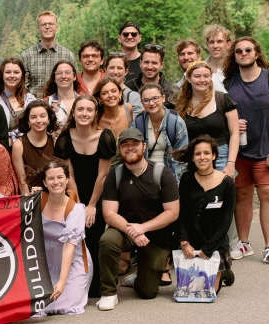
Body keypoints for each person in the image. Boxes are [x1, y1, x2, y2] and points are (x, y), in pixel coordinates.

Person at [223, 37, 269, 265]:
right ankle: (243, 243)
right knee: (242, 196)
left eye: (248, 49)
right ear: (234, 56)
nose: (244, 53)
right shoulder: (228, 84)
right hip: (239, 153)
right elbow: (220, 116)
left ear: (256, 53)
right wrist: (234, 124)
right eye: (239, 51)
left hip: (268, 152)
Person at [98, 128, 180, 310]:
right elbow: (109, 213)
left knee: (147, 292)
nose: (130, 148)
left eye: (135, 143)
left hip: (156, 235)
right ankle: (109, 293)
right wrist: (133, 231)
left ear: (144, 146)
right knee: (108, 240)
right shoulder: (115, 175)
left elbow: (172, 212)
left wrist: (143, 228)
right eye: (125, 144)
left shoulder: (162, 173)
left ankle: (140, 276)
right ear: (119, 149)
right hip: (126, 231)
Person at [54, 94, 117, 298]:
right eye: (80, 109)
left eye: (89, 110)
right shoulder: (64, 139)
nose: (84, 113)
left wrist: (91, 205)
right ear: (73, 112)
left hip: (98, 194)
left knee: (94, 234)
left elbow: (103, 175)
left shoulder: (105, 137)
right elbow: (69, 175)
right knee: (76, 235)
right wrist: (79, 206)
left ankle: (98, 284)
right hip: (74, 194)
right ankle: (77, 282)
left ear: (95, 113)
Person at [174, 135, 236, 293]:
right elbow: (180, 213)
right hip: (191, 243)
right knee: (191, 291)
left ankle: (224, 271)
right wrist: (184, 242)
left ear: (214, 155)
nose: (202, 157)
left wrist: (209, 249)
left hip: (215, 243)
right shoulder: (186, 179)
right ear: (193, 158)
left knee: (209, 292)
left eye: (206, 153)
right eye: (197, 154)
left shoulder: (227, 183)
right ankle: (223, 271)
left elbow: (226, 219)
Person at [35, 158, 92, 315]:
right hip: (46, 264)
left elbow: (69, 247)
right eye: (51, 178)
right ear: (44, 182)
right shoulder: (37, 202)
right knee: (39, 307)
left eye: (60, 177)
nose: (56, 182)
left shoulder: (76, 209)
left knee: (68, 306)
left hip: (72, 263)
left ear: (67, 179)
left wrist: (62, 281)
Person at [176, 61, 237, 177]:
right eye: (197, 76)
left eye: (206, 76)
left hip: (220, 157)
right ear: (188, 78)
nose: (202, 80)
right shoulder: (181, 103)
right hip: (191, 158)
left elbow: (235, 133)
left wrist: (230, 164)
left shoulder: (223, 99)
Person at [133, 83, 189, 180]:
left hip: (169, 176)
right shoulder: (138, 123)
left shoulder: (175, 122)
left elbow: (182, 158)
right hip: (144, 177)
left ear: (163, 98)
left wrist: (176, 184)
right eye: (146, 100)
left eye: (155, 98)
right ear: (142, 102)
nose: (151, 103)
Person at [20, 10, 77, 95]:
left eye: (51, 24)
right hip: (34, 102)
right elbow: (22, 85)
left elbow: (74, 83)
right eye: (43, 24)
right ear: (38, 29)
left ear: (56, 27)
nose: (47, 27)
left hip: (61, 102)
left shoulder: (68, 55)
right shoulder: (26, 56)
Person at [12, 100, 59, 195]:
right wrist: (29, 200)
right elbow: (22, 182)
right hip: (31, 195)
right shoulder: (19, 145)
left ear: (49, 119)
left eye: (42, 116)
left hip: (53, 193)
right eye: (33, 117)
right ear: (28, 121)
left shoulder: (55, 141)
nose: (38, 121)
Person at [0, 57, 38, 132]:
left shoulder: (30, 99)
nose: (12, 76)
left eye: (16, 72)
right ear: (1, 74)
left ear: (22, 75)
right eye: (8, 72)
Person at [124, 44, 180, 110]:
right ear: (140, 63)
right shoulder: (129, 87)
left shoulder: (173, 91)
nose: (150, 67)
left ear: (161, 65)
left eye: (154, 63)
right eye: (146, 62)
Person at [40, 60, 79, 128]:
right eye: (59, 73)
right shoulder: (45, 103)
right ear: (54, 78)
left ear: (74, 76)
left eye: (67, 72)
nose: (63, 76)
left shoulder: (84, 102)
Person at [104, 54, 143, 119]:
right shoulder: (99, 95)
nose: (115, 72)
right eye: (112, 68)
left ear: (126, 72)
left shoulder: (134, 98)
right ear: (105, 71)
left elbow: (135, 122)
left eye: (119, 68)